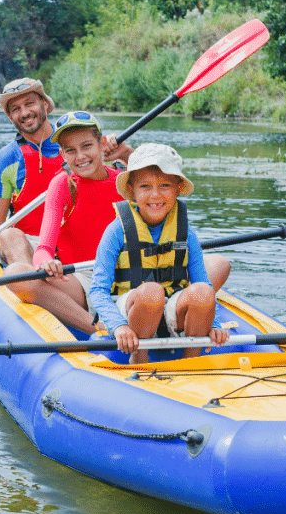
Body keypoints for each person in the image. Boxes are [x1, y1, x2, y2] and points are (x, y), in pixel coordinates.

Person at [0, 78, 130, 268]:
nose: (25, 113)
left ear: (44, 104)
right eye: (16, 109)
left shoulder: (77, 142)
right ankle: (35, 281)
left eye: (29, 103)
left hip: (77, 241)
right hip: (29, 242)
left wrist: (125, 154)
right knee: (9, 235)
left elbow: (130, 182)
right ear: (10, 117)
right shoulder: (8, 158)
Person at [89, 143, 231, 364]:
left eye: (165, 185)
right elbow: (98, 291)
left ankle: (190, 362)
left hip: (171, 307)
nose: (155, 195)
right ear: (132, 190)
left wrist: (214, 325)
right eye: (145, 186)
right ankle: (139, 358)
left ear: (178, 188)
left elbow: (203, 283)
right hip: (132, 309)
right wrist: (118, 325)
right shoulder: (116, 230)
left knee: (203, 292)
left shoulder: (186, 232)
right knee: (151, 293)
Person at [4, 111, 129, 334]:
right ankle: (97, 328)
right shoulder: (62, 183)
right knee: (16, 273)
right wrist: (45, 262)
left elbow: (161, 182)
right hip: (83, 279)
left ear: (102, 144)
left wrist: (128, 152)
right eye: (70, 150)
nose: (80, 156)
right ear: (62, 154)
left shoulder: (125, 179)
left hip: (125, 277)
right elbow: (44, 247)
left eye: (87, 146)